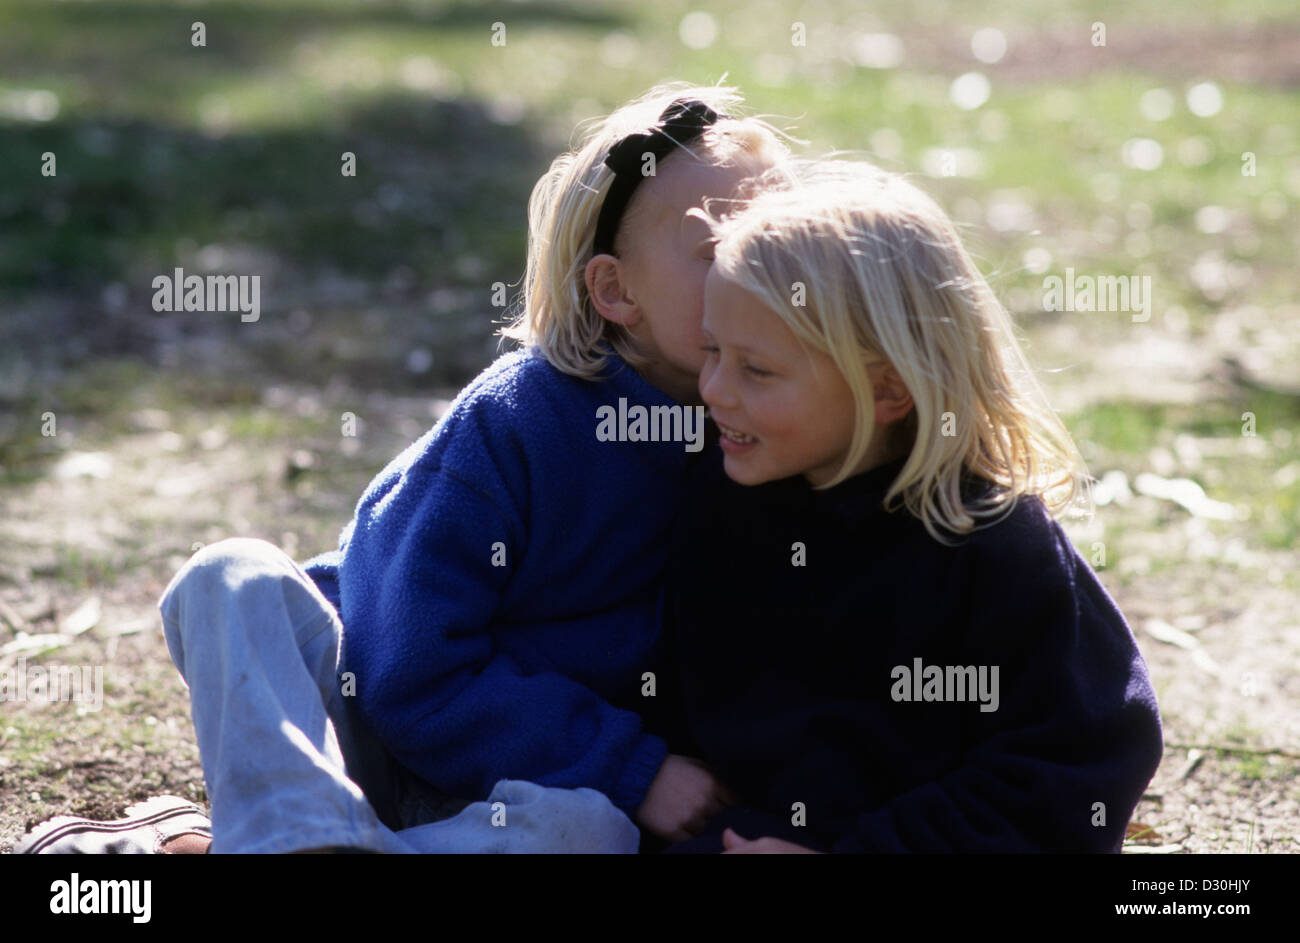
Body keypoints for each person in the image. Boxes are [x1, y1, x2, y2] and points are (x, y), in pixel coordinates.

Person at [15, 82, 787, 855]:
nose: (758, 276)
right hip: (357, 728)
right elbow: (405, 668)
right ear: (616, 291)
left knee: (588, 831)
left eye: (779, 249)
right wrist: (629, 765)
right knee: (230, 575)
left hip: (513, 789)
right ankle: (299, 829)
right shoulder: (517, 421)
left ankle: (235, 845)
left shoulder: (773, 437)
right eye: (722, 251)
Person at [658, 160, 1164, 854]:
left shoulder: (987, 543)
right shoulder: (719, 504)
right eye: (711, 351)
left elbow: (1079, 759)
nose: (713, 388)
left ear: (889, 389)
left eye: (757, 369)